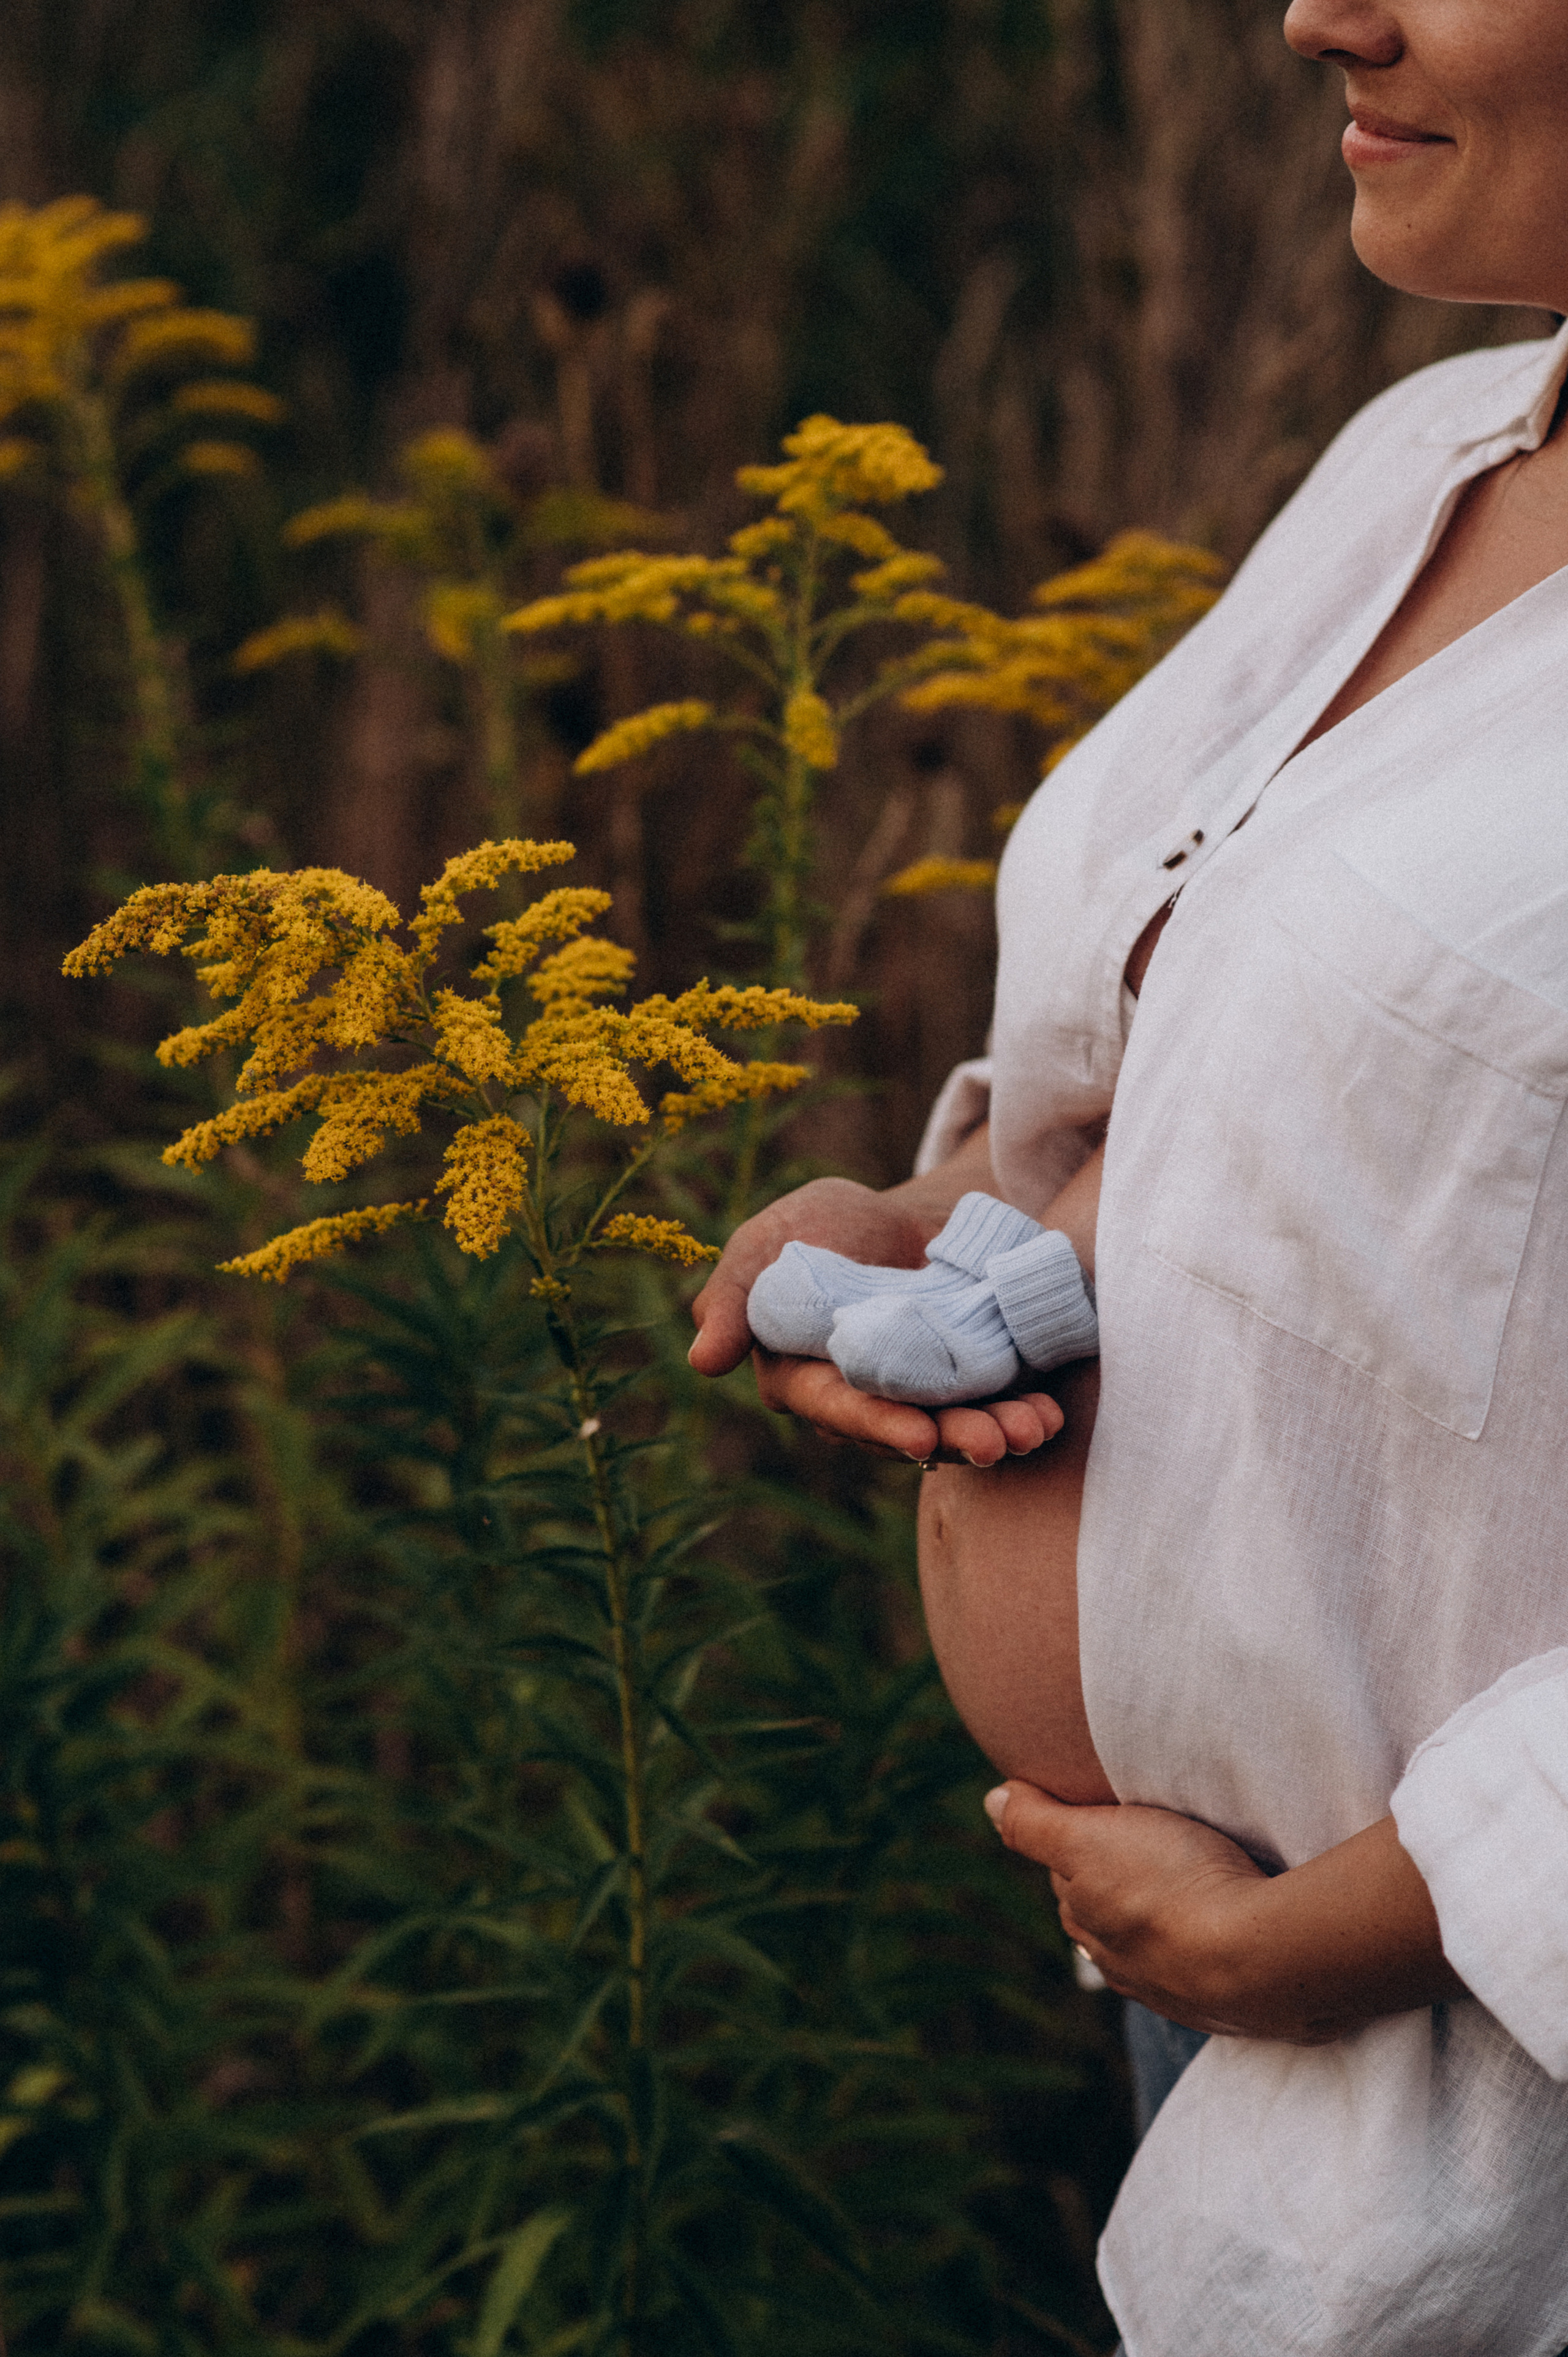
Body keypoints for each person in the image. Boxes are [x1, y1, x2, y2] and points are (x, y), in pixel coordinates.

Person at [690, 3, 1568, 2350]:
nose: (1320, 13)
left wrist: (1354, 1930)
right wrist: (930, 1226)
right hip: (1222, 2034)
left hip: (1486, 2074)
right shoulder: (1420, 456)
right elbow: (1211, 1067)